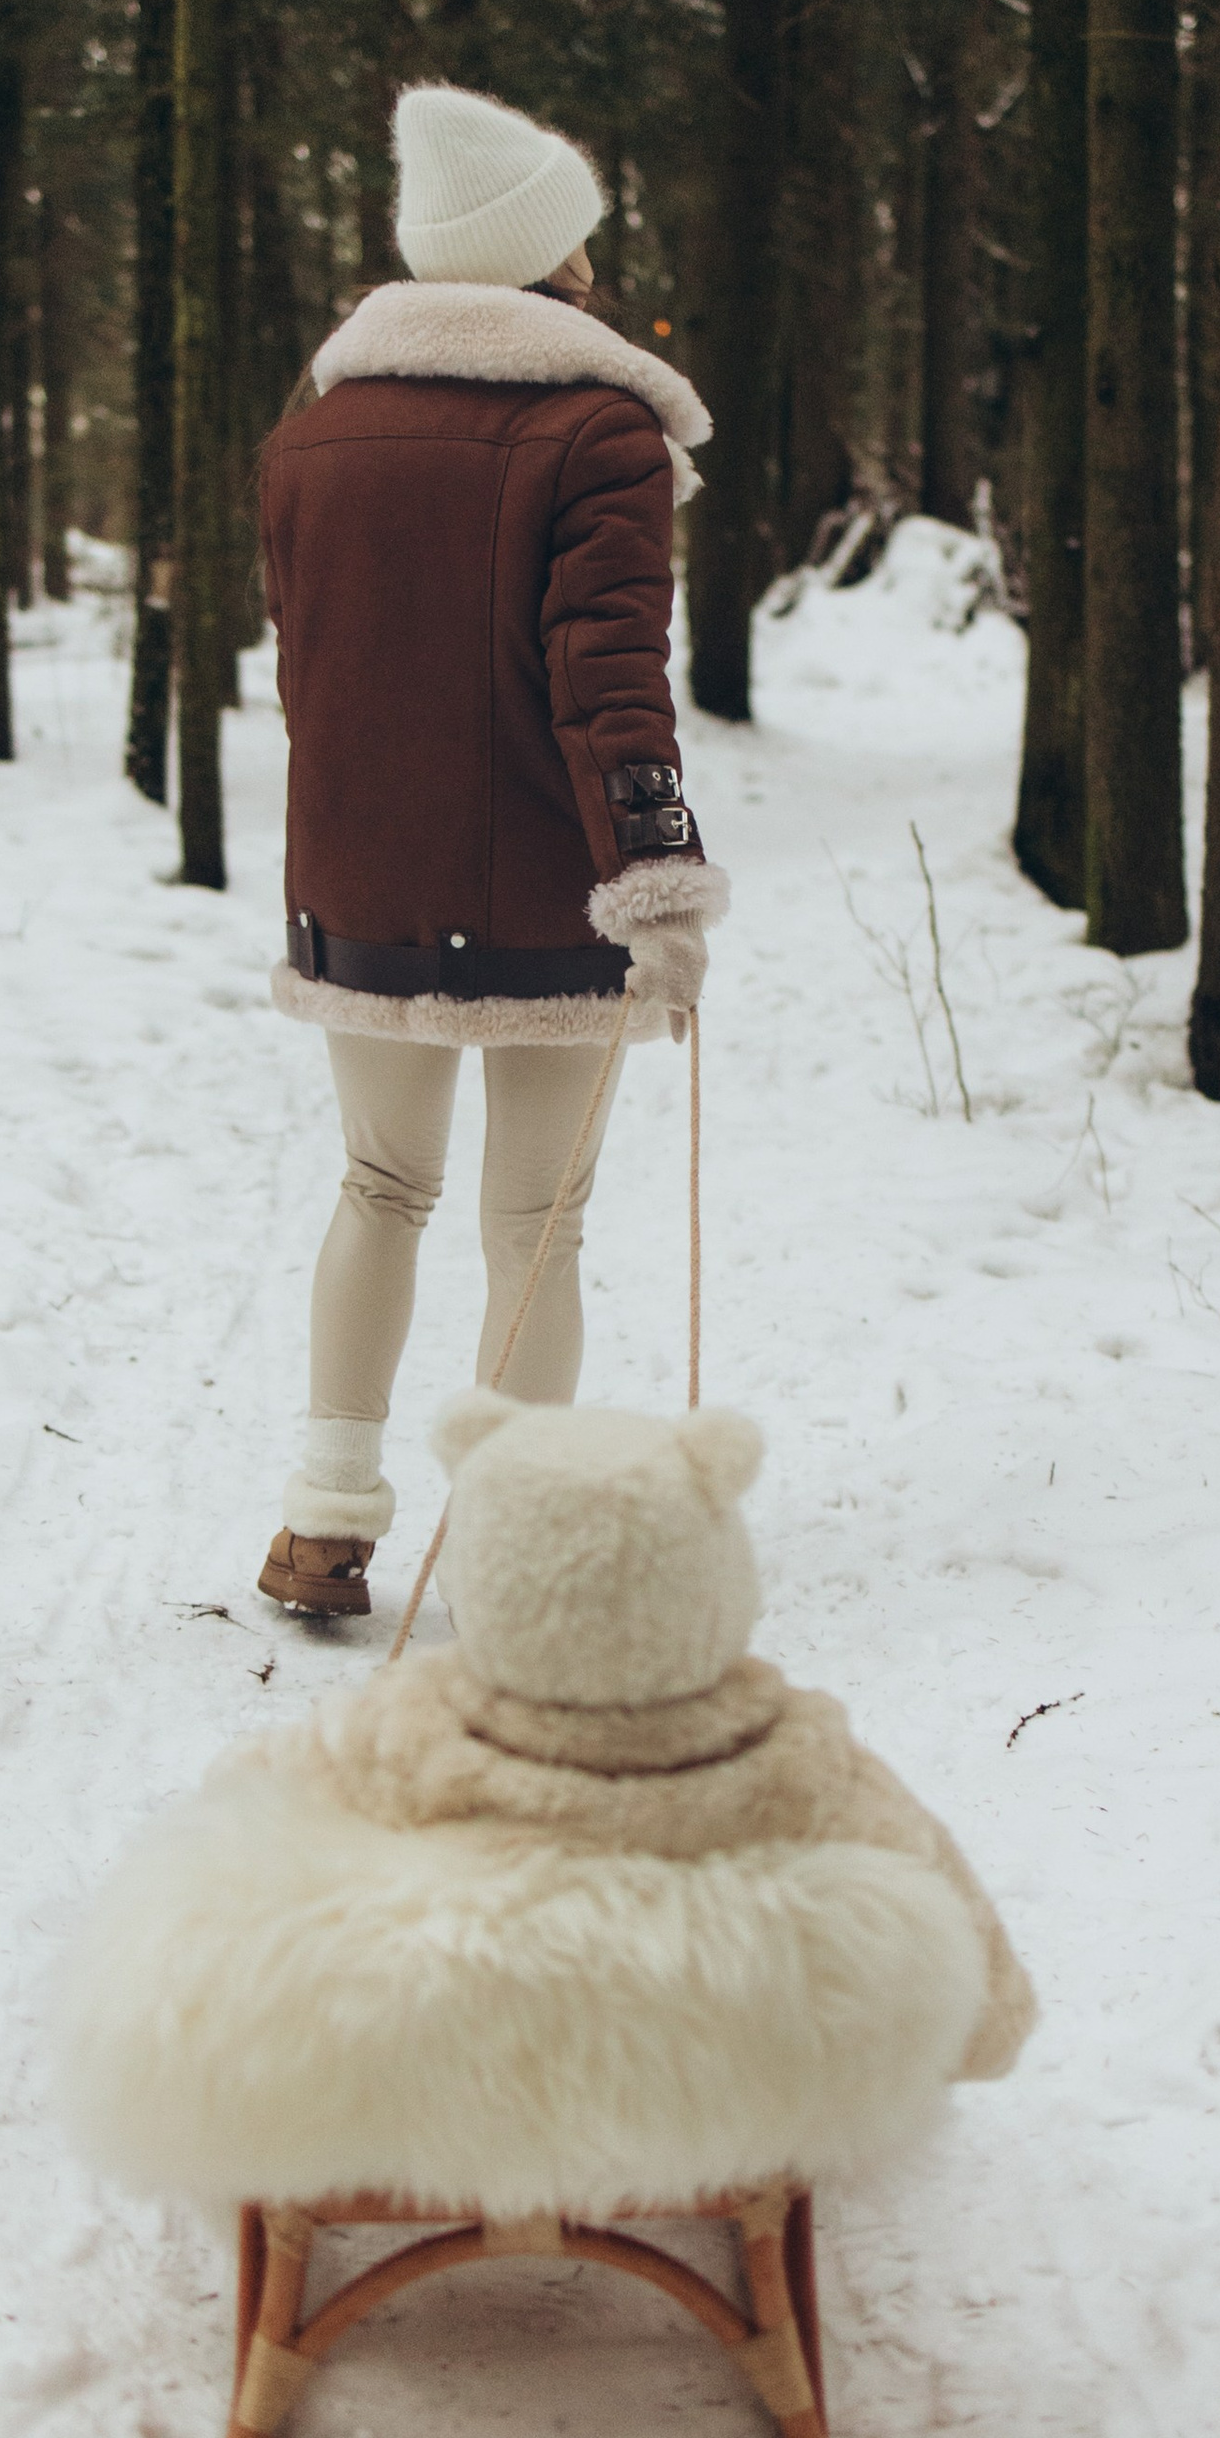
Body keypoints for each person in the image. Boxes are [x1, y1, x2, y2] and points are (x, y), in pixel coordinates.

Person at [254, 83, 729, 1621]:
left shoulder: (316, 430)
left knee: (378, 1185)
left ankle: (324, 1519)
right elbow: (613, 684)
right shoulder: (603, 431)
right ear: (546, 261)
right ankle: (515, 1556)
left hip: (362, 880)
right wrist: (657, 881)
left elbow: (304, 665)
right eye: (579, 243)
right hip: (548, 888)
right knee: (537, 1225)